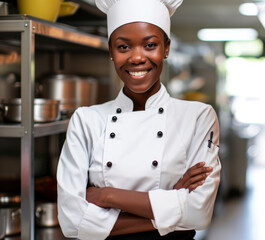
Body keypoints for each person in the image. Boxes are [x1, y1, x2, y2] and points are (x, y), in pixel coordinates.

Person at [56, 0, 221, 239]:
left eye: (150, 45)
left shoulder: (198, 117)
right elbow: (71, 222)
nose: (137, 58)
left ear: (166, 48)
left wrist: (106, 196)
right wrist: (173, 205)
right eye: (123, 47)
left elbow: (199, 213)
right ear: (111, 51)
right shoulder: (85, 120)